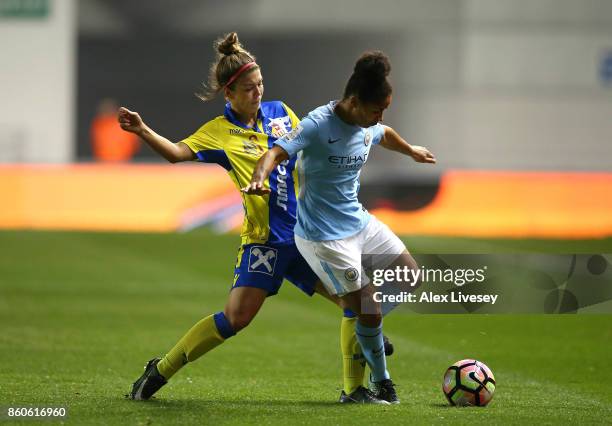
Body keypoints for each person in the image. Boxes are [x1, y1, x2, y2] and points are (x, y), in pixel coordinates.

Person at [119, 33, 392, 404]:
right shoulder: (219, 132)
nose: (258, 93)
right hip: (265, 243)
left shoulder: (282, 114)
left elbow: (306, 147)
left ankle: (354, 389)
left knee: (357, 303)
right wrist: (142, 130)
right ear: (229, 94)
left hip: (305, 236)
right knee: (235, 319)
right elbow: (177, 153)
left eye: (261, 84)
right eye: (249, 88)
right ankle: (161, 368)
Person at [244, 50, 436, 404]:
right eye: (376, 110)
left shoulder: (368, 123)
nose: (379, 117)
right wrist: (260, 179)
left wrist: (411, 151)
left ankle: (369, 329)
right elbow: (274, 154)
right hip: (322, 236)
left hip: (357, 221)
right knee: (367, 307)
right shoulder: (317, 124)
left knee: (409, 276)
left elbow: (385, 133)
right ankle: (382, 383)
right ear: (353, 101)